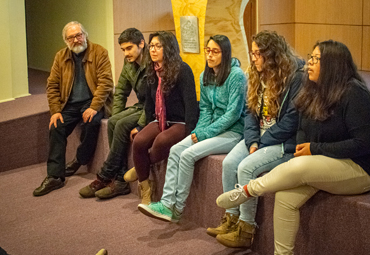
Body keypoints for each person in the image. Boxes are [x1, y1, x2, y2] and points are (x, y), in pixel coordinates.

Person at [216, 40, 370, 255]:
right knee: (285, 198)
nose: (309, 63)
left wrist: (314, 148)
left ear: (332, 64)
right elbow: (302, 129)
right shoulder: (313, 89)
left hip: (358, 169)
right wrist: (306, 147)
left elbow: (363, 144)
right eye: (311, 57)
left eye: (316, 59)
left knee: (301, 165)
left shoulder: (355, 93)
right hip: (322, 164)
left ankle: (248, 190)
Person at [207, 30, 304, 248]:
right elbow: (250, 112)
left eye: (258, 53)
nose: (253, 58)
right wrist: (252, 140)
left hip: (283, 142)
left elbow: (292, 120)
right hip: (258, 138)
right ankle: (231, 218)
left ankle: (246, 229)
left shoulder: (296, 77)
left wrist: (262, 142)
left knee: (246, 168)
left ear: (272, 54)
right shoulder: (256, 73)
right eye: (252, 53)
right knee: (230, 163)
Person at [137, 35, 247, 223]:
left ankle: (177, 209)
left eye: (215, 51)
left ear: (225, 53)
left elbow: (233, 114)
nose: (210, 55)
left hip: (233, 131)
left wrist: (204, 133)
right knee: (175, 150)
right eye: (208, 51)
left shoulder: (236, 76)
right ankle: (166, 204)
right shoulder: (205, 75)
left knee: (187, 155)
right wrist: (200, 130)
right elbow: (204, 108)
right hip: (211, 128)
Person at [33, 21, 113, 196]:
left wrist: (93, 107)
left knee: (92, 122)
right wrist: (55, 111)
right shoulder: (60, 57)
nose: (76, 40)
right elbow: (52, 85)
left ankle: (80, 159)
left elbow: (105, 83)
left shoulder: (99, 52)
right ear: (66, 41)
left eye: (79, 35)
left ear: (85, 34)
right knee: (56, 127)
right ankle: (55, 176)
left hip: (92, 101)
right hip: (69, 104)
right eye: (71, 37)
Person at [125, 31, 199, 205]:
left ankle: (141, 166)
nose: (153, 50)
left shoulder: (183, 69)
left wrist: (191, 131)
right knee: (139, 141)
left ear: (169, 48)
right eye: (152, 46)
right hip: (160, 119)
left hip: (180, 121)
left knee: (160, 141)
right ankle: (146, 189)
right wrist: (141, 126)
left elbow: (191, 104)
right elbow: (149, 105)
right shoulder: (153, 70)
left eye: (158, 46)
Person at [78, 28, 149, 199]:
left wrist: (141, 124)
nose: (126, 53)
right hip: (141, 105)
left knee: (123, 124)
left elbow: (154, 100)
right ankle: (120, 180)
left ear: (141, 43)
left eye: (129, 48)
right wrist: (115, 116)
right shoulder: (129, 63)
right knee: (113, 122)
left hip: (151, 108)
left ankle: (106, 174)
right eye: (123, 50)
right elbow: (121, 92)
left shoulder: (152, 62)